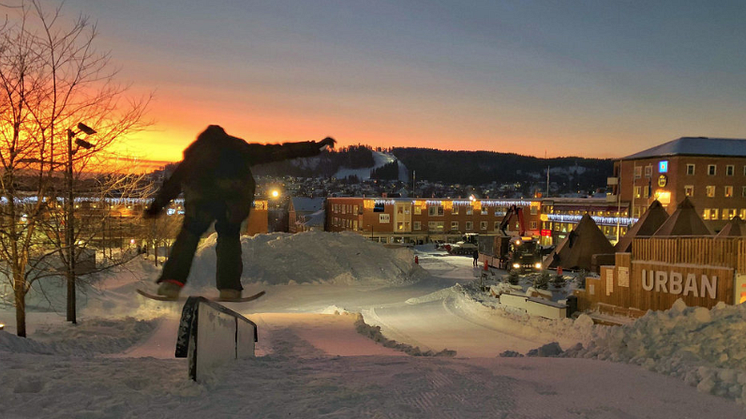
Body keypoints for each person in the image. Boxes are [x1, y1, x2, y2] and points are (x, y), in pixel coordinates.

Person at [144, 125, 335, 299]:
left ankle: (172, 284)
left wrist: (155, 208)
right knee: (229, 237)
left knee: (189, 235)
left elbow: (172, 185)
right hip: (234, 199)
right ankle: (229, 289)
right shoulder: (237, 148)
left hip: (202, 199)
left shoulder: (195, 155)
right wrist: (313, 147)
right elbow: (275, 151)